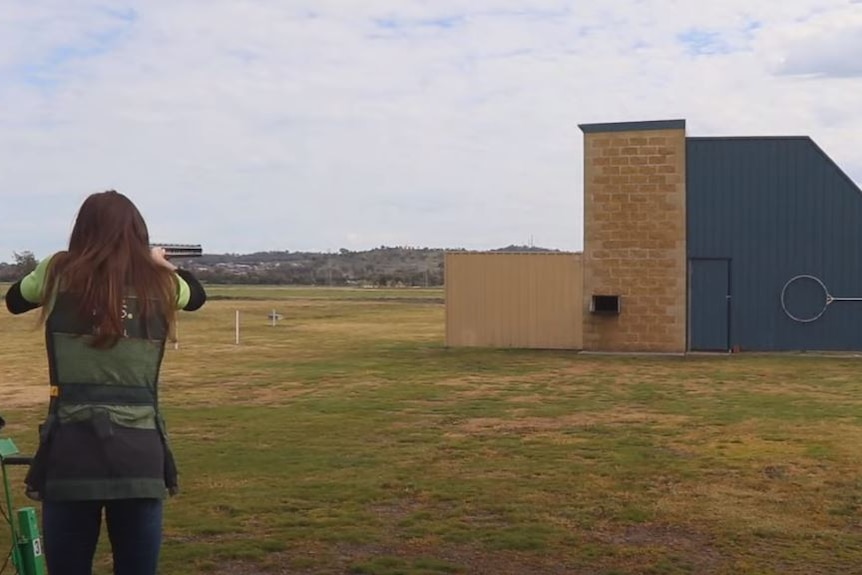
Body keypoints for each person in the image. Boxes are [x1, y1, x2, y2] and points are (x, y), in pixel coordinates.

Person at [4, 190, 207, 575]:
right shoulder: (159, 283)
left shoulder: (57, 270)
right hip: (140, 450)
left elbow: (15, 301)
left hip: (70, 449)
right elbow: (196, 296)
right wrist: (163, 265)